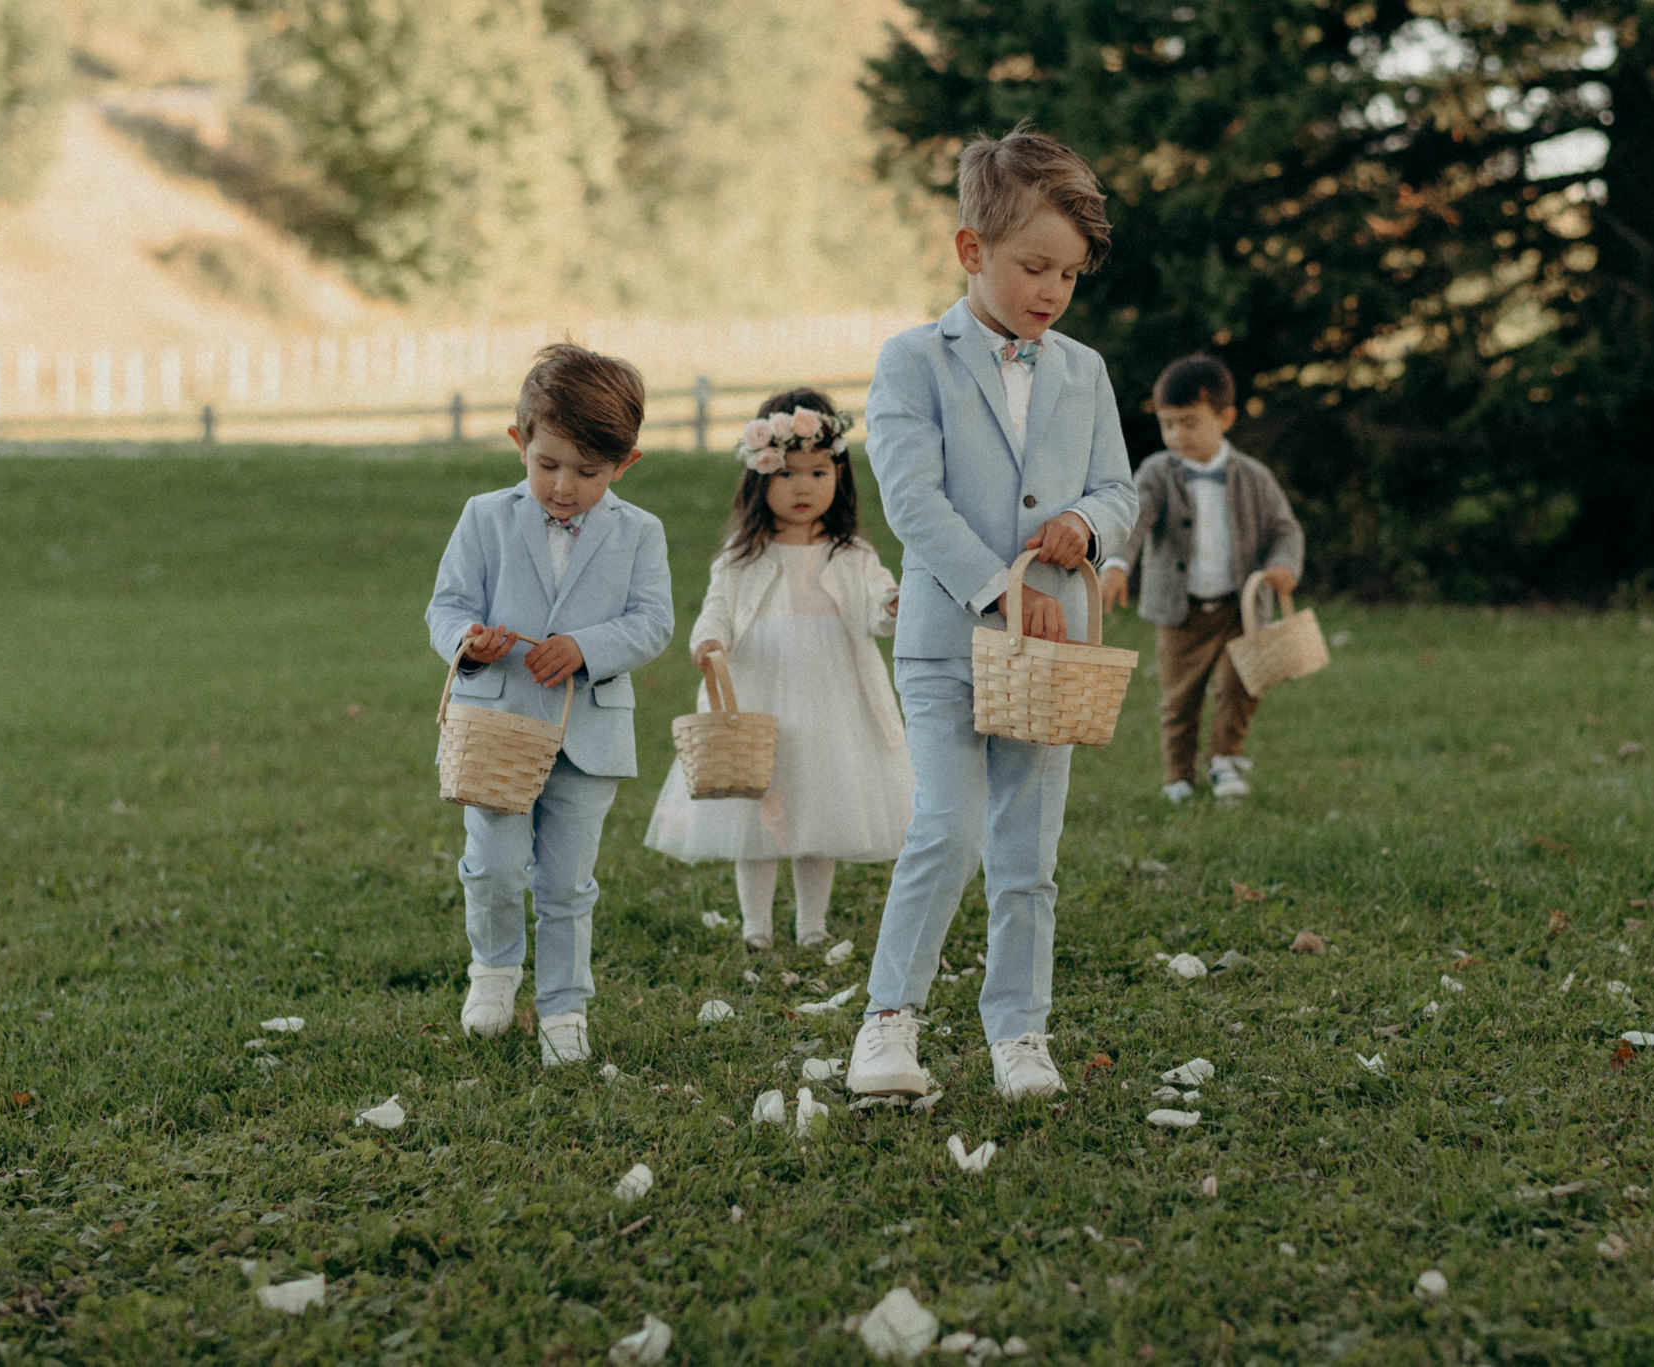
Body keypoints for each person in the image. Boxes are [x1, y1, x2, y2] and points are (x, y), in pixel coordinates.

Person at [846, 127, 1138, 1102]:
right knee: (947, 827)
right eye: (1031, 267)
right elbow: (911, 500)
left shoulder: (1081, 370)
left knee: (1027, 851)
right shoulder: (910, 361)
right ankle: (888, 1020)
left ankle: (1019, 1029)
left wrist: (1081, 525)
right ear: (970, 250)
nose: (1050, 291)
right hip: (946, 639)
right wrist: (999, 585)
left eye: (1067, 273)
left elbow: (1117, 488)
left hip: (1048, 656)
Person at [425, 344, 673, 1067]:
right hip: (497, 728)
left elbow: (653, 621)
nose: (564, 487)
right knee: (496, 865)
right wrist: (467, 642)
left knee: (567, 881)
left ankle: (565, 1005)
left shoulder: (641, 533)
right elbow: (447, 605)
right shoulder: (483, 517)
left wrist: (586, 646)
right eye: (548, 465)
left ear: (624, 463)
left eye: (588, 473)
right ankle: (495, 967)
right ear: (519, 444)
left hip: (588, 732)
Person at [644, 389, 913, 951]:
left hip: (831, 696)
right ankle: (756, 926)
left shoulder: (853, 555)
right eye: (786, 473)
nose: (803, 487)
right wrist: (709, 640)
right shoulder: (742, 559)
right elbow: (717, 610)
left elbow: (875, 609)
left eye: (818, 472)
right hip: (761, 688)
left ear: (839, 476)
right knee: (754, 809)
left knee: (822, 805)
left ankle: (812, 924)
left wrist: (890, 605)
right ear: (759, 477)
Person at [1098, 354, 1304, 803]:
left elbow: (1284, 529)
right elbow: (1134, 520)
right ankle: (1178, 776)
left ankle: (1225, 759)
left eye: (1189, 423)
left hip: (1239, 608)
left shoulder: (1254, 477)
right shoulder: (1157, 472)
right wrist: (1117, 565)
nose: (1176, 436)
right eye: (1167, 424)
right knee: (1179, 697)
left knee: (1241, 684)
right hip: (1180, 611)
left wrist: (1285, 565)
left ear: (1225, 418)